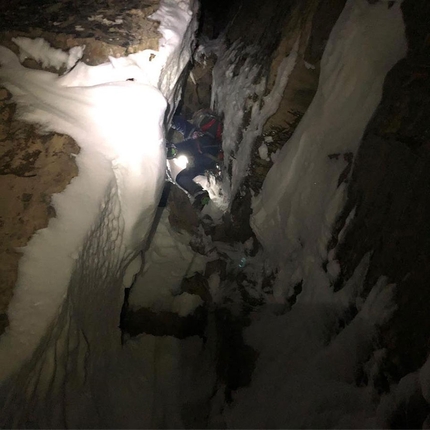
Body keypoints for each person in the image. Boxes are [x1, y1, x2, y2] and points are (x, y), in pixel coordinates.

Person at [167, 109, 223, 209]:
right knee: (183, 176)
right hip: (207, 161)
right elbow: (181, 124)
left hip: (205, 152)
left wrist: (169, 121)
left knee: (181, 177)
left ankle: (199, 193)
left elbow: (181, 124)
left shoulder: (196, 134)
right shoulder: (196, 133)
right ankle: (200, 195)